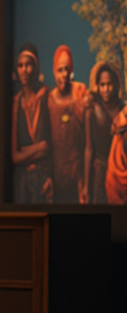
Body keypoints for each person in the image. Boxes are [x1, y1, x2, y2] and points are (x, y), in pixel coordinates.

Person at [46, 44, 91, 204]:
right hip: (56, 175)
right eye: (60, 70)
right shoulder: (49, 100)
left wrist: (85, 183)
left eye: (67, 69)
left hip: (77, 174)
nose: (64, 74)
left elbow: (88, 143)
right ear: (54, 71)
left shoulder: (80, 93)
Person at [10, 42, 52, 203]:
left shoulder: (46, 96)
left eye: (28, 65)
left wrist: (25, 150)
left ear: (36, 67)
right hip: (21, 180)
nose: (24, 70)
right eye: (20, 66)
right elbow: (15, 156)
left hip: (44, 177)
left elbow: (52, 145)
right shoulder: (16, 102)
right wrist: (41, 147)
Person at [86, 62, 123, 204]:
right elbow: (89, 148)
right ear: (97, 86)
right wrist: (86, 185)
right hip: (99, 174)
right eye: (102, 85)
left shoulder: (123, 110)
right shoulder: (92, 111)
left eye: (109, 84)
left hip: (119, 175)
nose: (106, 89)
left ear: (116, 85)